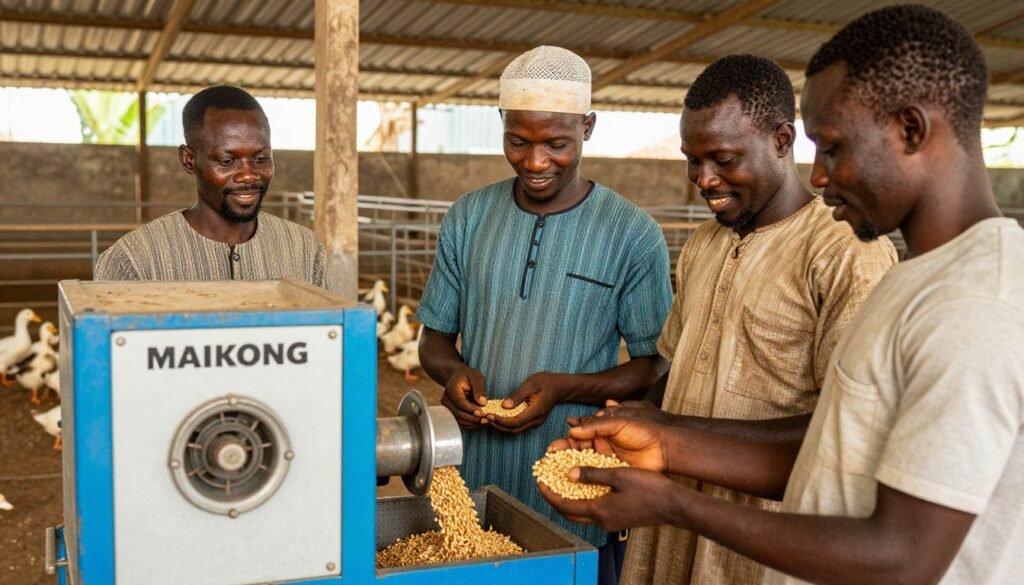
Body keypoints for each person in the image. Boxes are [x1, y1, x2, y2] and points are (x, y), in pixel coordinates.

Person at [540, 5, 1024, 585]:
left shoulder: (978, 304)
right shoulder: (919, 282)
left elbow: (904, 558)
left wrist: (674, 500)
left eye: (834, 148)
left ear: (911, 131)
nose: (818, 175)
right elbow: (825, 451)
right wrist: (666, 444)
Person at [619, 54, 896, 585]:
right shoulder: (702, 244)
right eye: (692, 160)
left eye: (722, 158)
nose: (703, 179)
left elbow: (845, 431)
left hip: (763, 543)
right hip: (666, 523)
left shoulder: (843, 253)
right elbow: (676, 373)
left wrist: (668, 431)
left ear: (783, 141)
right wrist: (631, 423)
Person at [415, 46, 673, 584]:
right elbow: (433, 341)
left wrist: (563, 388)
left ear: (589, 127)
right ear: (501, 125)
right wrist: (453, 373)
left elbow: (654, 367)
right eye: (519, 141)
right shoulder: (468, 216)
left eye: (557, 143)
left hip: (573, 481)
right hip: (474, 481)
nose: (535, 162)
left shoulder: (631, 233)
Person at [95, 85, 330, 289]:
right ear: (189, 160)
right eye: (227, 161)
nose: (248, 175)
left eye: (261, 159)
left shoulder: (305, 250)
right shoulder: (134, 259)